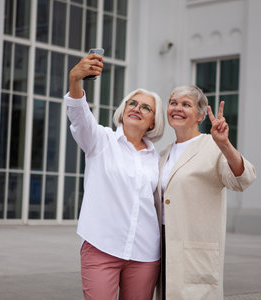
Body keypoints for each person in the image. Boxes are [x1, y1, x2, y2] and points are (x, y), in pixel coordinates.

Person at [64, 53, 166, 300]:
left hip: (144, 253)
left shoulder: (158, 159)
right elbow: (79, 117)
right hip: (101, 246)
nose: (137, 109)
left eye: (146, 107)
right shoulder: (100, 140)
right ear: (123, 109)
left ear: (153, 122)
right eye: (132, 103)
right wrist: (75, 80)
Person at [154, 85, 257, 299]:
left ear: (201, 115)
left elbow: (243, 179)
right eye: (173, 103)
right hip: (163, 247)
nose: (177, 108)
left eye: (186, 104)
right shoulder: (163, 154)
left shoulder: (213, 146)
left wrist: (225, 144)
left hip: (193, 250)